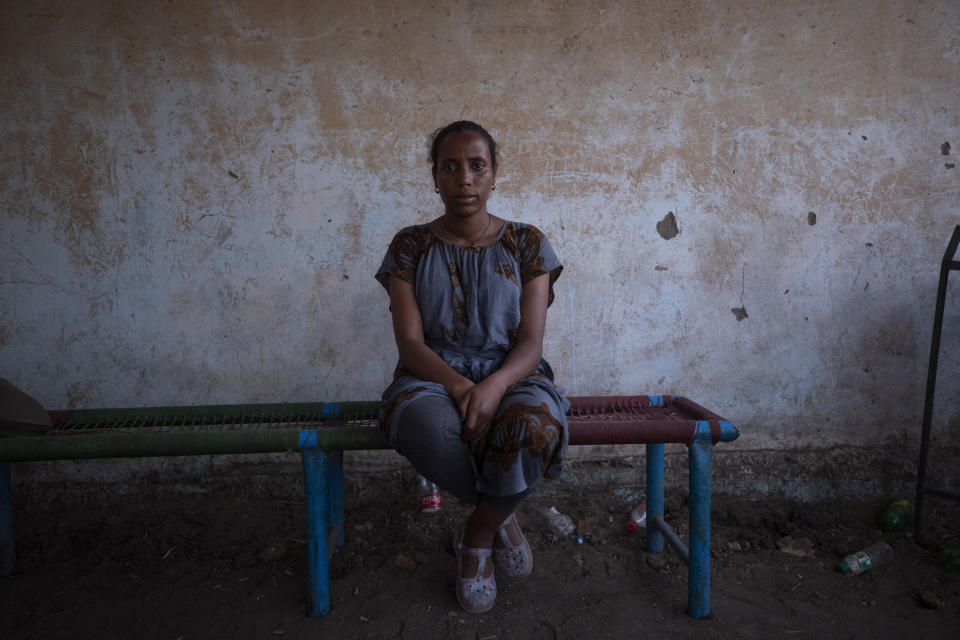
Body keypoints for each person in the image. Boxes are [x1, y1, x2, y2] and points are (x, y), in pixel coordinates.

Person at [375, 121, 569, 613]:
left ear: (494, 175)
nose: (464, 178)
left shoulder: (528, 244)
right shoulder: (409, 247)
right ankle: (504, 515)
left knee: (535, 427)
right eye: (450, 166)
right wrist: (462, 387)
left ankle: (476, 538)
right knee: (427, 426)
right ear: (435, 177)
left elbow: (530, 341)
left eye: (477, 166)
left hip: (515, 373)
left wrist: (496, 384)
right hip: (431, 376)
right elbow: (411, 344)